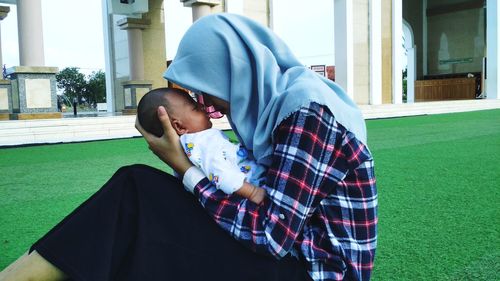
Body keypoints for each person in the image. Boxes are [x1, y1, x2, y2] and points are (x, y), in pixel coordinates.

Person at [0, 13, 377, 281]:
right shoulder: (276, 107)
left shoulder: (306, 112)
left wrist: (186, 170)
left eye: (202, 87)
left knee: (137, 191)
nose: (207, 103)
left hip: (313, 269)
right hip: (291, 256)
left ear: (230, 69)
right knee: (138, 193)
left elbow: (273, 236)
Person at [137, 87, 267, 204]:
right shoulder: (203, 142)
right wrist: (253, 192)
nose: (202, 106)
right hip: (253, 185)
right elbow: (220, 171)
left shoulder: (187, 148)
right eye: (195, 107)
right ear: (179, 126)